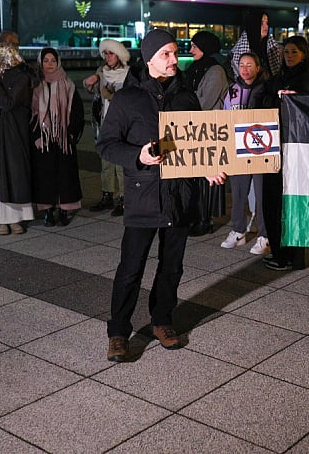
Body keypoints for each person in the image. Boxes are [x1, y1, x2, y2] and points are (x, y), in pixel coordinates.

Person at [96, 29, 226, 362]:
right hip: (144, 196)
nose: (174, 59)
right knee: (131, 268)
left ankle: (162, 320)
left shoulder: (186, 95)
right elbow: (106, 144)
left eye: (174, 52)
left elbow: (197, 143)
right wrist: (137, 157)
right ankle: (118, 332)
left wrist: (207, 166)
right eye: (166, 54)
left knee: (172, 267)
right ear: (150, 58)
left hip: (179, 196)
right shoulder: (128, 98)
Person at [262, 35, 309, 271]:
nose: (288, 55)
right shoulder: (284, 76)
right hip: (280, 143)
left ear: (304, 54)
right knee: (280, 202)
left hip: (290, 150)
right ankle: (284, 254)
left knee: (283, 202)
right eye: (286, 51)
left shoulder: (304, 80)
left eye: (294, 51)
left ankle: (287, 255)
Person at [0, 41, 38, 235]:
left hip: (13, 133)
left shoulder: (20, 77)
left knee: (14, 173)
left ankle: (15, 219)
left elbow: (8, 103)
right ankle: (0, 219)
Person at [221, 51, 271, 256]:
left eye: (250, 65)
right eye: (242, 64)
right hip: (238, 149)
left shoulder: (266, 89)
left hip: (260, 149)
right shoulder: (232, 90)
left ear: (258, 68)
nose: (245, 69)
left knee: (261, 194)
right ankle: (238, 231)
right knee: (238, 191)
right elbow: (224, 116)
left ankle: (264, 236)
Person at [31, 47, 85, 227]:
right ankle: (48, 211)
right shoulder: (36, 86)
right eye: (46, 61)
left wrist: (70, 133)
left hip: (63, 140)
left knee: (65, 175)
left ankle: (64, 210)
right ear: (40, 62)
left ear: (58, 62)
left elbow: (77, 111)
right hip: (44, 140)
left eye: (52, 60)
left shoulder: (68, 84)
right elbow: (30, 114)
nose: (49, 64)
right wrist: (37, 136)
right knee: (45, 176)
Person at [186, 30, 229, 236]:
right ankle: (195, 215)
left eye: (195, 46)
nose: (191, 49)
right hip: (194, 127)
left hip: (209, 129)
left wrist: (185, 103)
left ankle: (205, 219)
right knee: (195, 172)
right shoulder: (195, 68)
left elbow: (205, 102)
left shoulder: (215, 71)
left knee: (208, 174)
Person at [83, 39, 131, 217]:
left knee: (120, 164)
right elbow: (92, 91)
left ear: (119, 55)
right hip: (104, 122)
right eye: (106, 53)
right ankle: (107, 196)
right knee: (106, 162)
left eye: (111, 53)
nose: (108, 56)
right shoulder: (101, 72)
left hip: (122, 124)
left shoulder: (128, 74)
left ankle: (124, 199)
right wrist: (90, 83)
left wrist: (110, 92)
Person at [230, 11, 283, 79]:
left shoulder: (271, 44)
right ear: (253, 25)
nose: (266, 26)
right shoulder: (242, 47)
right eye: (261, 23)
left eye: (267, 23)